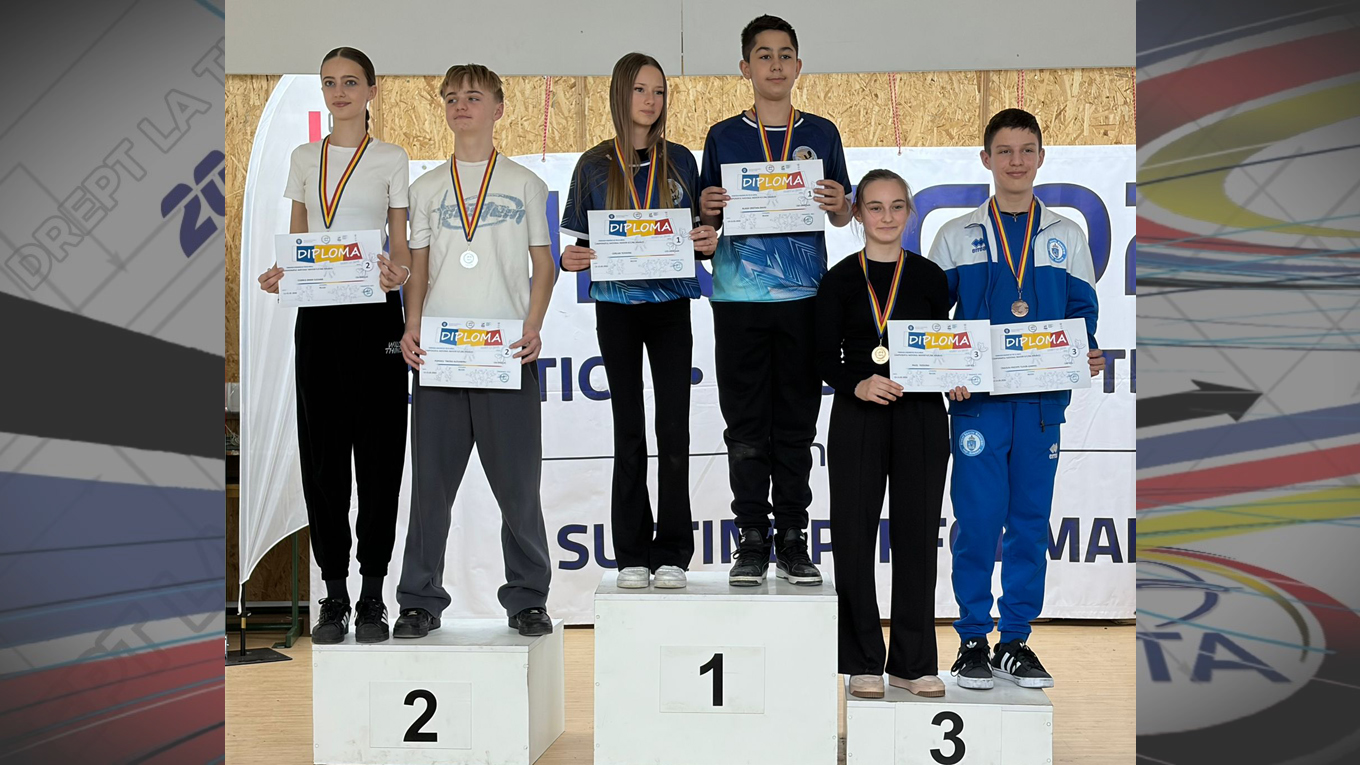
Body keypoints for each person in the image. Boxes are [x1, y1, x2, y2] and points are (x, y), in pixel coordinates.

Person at [927, 108, 1105, 689]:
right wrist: (949, 367)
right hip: (978, 405)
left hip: (1040, 406)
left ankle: (1016, 641)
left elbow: (1082, 314)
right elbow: (935, 318)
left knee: (1028, 525)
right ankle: (972, 640)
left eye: (1027, 150)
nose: (1016, 161)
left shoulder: (1066, 236)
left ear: (1042, 157)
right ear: (986, 158)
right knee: (978, 523)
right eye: (1004, 150)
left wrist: (1085, 351)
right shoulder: (956, 235)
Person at [394, 64, 556, 638]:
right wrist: (411, 325)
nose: (461, 105)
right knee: (430, 489)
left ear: (498, 108)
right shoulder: (424, 189)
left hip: (505, 355)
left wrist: (533, 325)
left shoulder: (525, 184)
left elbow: (544, 265)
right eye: (451, 97)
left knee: (519, 489)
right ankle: (419, 600)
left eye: (473, 96)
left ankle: (528, 599)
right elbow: (417, 269)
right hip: (439, 355)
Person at [257, 46, 411, 645]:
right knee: (323, 462)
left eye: (350, 82)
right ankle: (334, 593)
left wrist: (398, 274)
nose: (339, 92)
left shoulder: (391, 159)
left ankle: (373, 594)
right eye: (329, 83)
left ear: (372, 90)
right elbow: (300, 242)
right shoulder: (304, 158)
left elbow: (399, 246)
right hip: (319, 321)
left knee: (379, 458)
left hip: (376, 319)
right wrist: (285, 273)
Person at [697, 14, 852, 587]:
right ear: (745, 67)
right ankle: (751, 538)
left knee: (795, 422)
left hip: (805, 299)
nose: (776, 64)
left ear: (799, 65)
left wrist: (841, 204)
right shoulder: (722, 136)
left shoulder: (824, 133)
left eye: (785, 54)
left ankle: (791, 535)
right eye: (764, 55)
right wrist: (708, 208)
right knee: (744, 425)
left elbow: (842, 214)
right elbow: (706, 221)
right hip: (738, 298)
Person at [559, 53, 719, 589]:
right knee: (627, 427)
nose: (650, 101)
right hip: (617, 308)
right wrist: (570, 259)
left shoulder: (682, 161)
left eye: (659, 91)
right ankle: (630, 552)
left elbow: (699, 234)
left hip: (671, 305)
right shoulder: (592, 165)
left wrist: (707, 239)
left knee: (673, 427)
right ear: (619, 93)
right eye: (640, 90)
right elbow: (580, 247)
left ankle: (672, 551)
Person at [816, 170, 956, 699]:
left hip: (921, 416)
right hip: (859, 414)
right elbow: (821, 356)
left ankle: (913, 662)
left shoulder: (930, 277)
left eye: (897, 206)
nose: (887, 217)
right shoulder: (838, 279)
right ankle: (862, 661)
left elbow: (943, 345)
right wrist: (856, 383)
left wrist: (955, 375)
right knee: (853, 536)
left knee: (918, 536)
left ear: (910, 212)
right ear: (857, 213)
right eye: (875, 207)